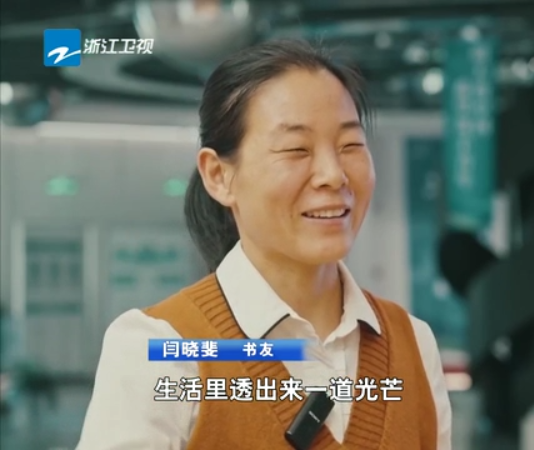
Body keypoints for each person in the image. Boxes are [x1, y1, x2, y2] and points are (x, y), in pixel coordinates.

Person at [76, 39, 452, 449]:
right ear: (219, 175)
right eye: (296, 149)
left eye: (351, 146)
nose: (333, 174)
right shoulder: (160, 349)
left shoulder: (413, 344)